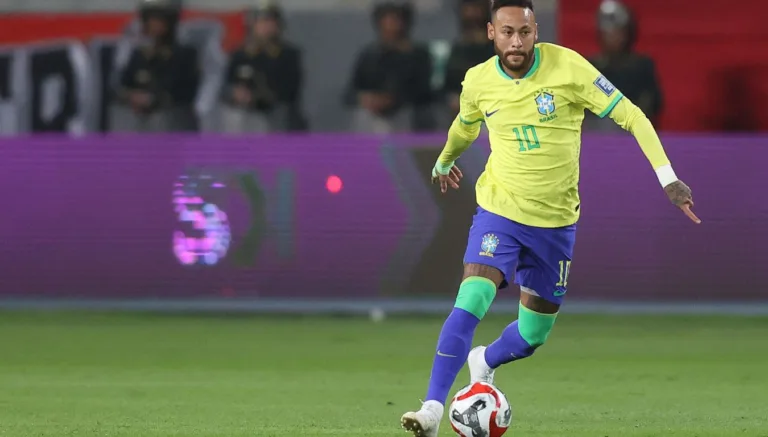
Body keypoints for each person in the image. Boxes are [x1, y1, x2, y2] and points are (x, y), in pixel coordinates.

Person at [400, 1, 700, 435]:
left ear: (535, 29)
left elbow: (632, 115)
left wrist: (668, 179)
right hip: (499, 212)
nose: (516, 42)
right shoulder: (478, 81)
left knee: (532, 335)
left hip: (556, 225)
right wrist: (445, 161)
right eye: (506, 32)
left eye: (524, 31)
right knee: (471, 300)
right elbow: (466, 126)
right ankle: (431, 408)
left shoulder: (569, 68)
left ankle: (484, 360)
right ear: (490, 32)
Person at [221, 1, 306, 132]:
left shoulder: (288, 55)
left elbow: (289, 91)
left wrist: (256, 97)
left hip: (275, 115)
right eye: (262, 22)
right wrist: (235, 93)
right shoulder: (240, 55)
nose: (266, 27)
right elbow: (226, 85)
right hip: (244, 115)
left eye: (271, 22)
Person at [116, 0, 200, 132]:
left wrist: (154, 99)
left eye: (159, 19)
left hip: (175, 124)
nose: (154, 24)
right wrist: (132, 96)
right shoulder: (139, 54)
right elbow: (123, 84)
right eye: (150, 19)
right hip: (143, 125)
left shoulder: (185, 55)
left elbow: (186, 92)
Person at [587, 0, 663, 129]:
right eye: (607, 33)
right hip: (596, 139)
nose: (612, 37)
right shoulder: (591, 67)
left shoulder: (641, 67)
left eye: (617, 32)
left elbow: (652, 105)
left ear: (628, 32)